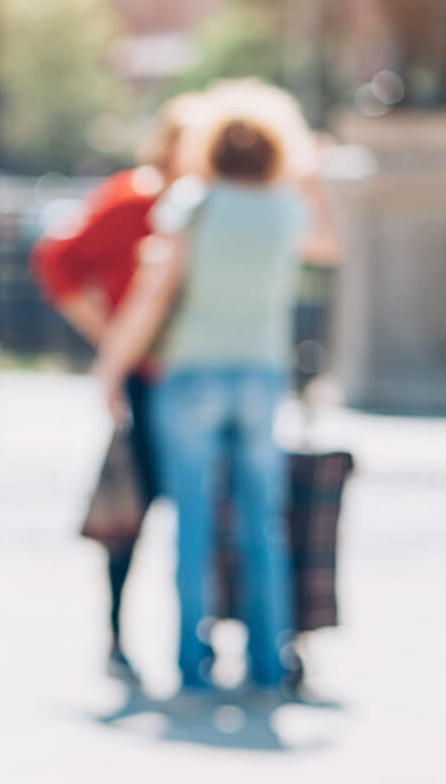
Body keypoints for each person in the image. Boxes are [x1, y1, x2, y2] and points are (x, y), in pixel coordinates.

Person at [97, 80, 341, 696]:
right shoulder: (286, 210)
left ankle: (191, 666)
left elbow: (154, 296)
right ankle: (266, 663)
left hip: (190, 377)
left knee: (194, 526)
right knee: (264, 526)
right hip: (261, 378)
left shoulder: (193, 202)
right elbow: (331, 246)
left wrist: (112, 365)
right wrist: (309, 174)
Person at [32, 94, 204, 676]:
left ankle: (200, 637)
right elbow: (57, 259)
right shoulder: (138, 197)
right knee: (135, 507)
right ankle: (116, 634)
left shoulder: (208, 203)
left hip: (194, 376)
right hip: (150, 381)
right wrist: (112, 341)